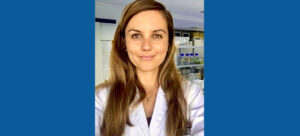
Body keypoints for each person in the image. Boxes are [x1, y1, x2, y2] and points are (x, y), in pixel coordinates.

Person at [95, 0, 204, 136]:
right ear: (124, 43)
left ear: (169, 43)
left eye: (157, 35)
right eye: (136, 35)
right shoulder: (100, 99)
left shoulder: (191, 95)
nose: (146, 46)